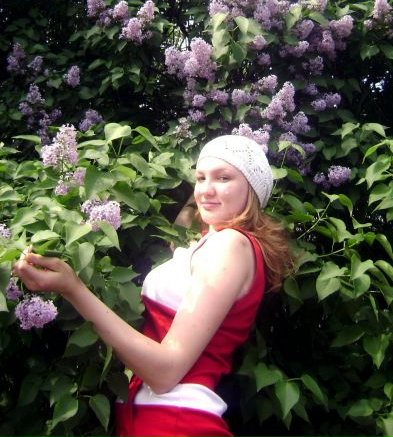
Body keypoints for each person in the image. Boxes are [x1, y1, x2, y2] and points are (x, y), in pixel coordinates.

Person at [14, 134, 292, 437]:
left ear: (252, 188)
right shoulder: (209, 244)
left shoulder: (231, 245)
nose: (206, 190)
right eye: (200, 178)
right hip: (152, 418)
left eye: (223, 178)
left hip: (175, 422)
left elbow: (165, 371)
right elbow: (183, 227)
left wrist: (73, 288)